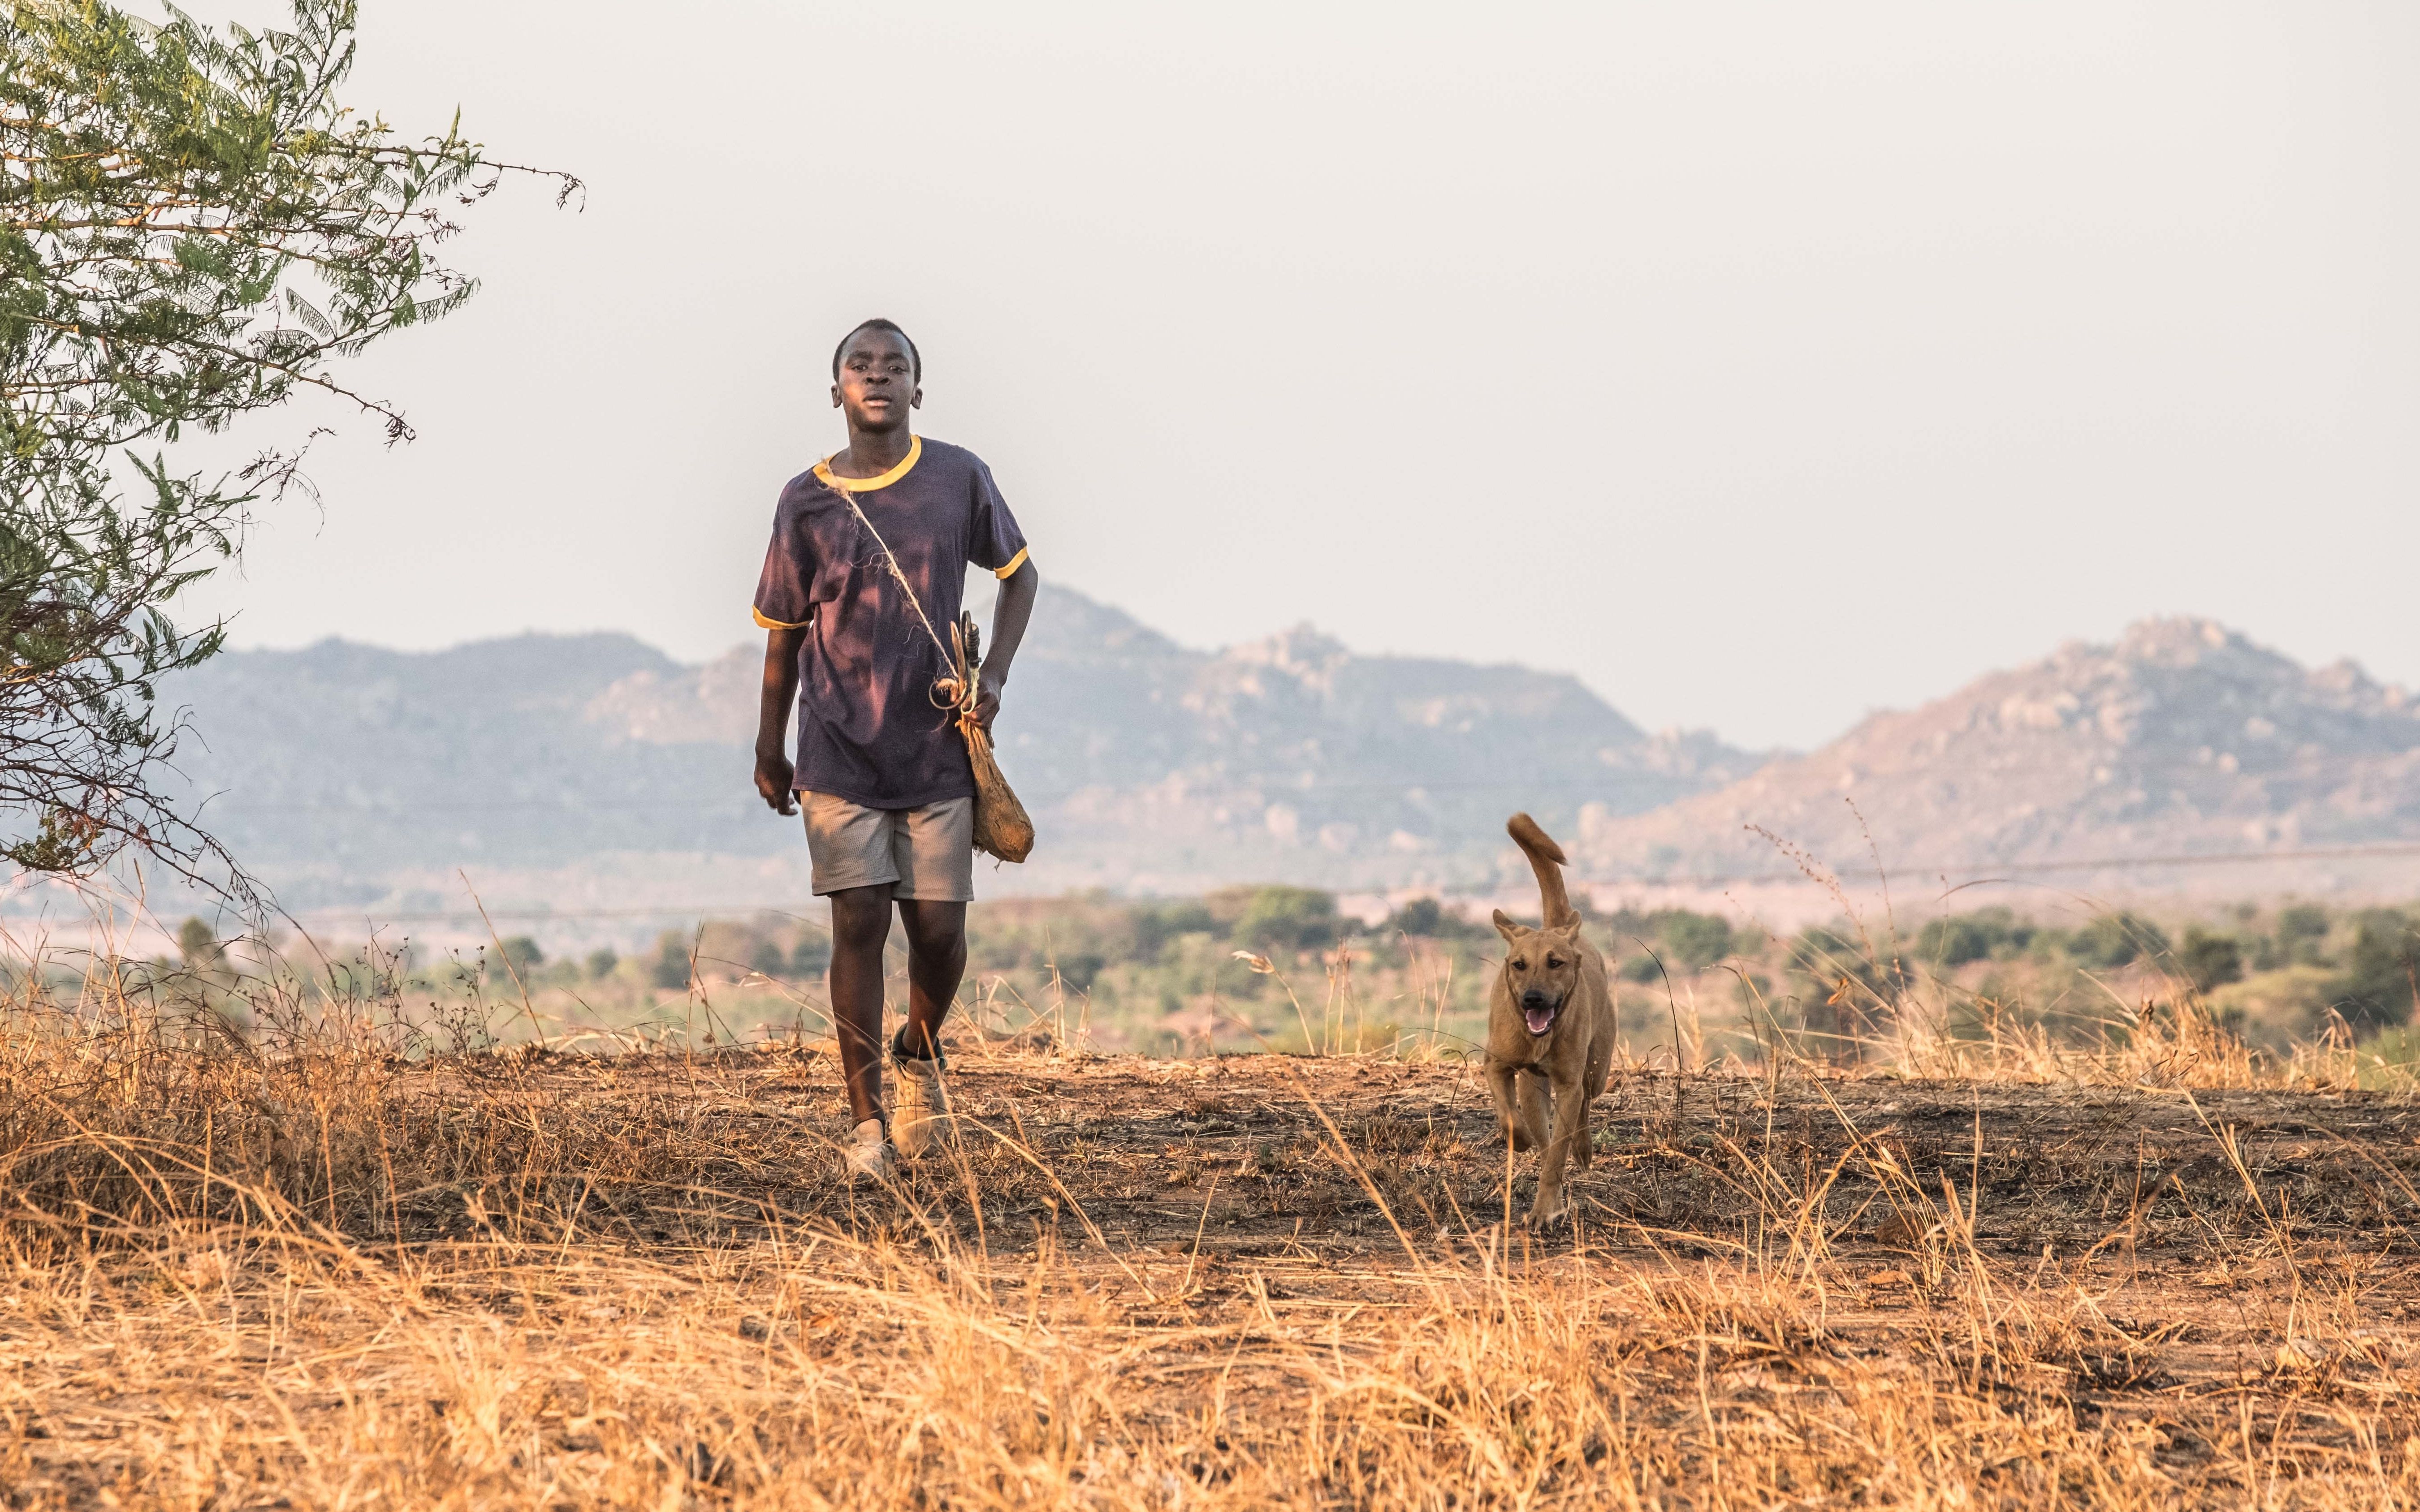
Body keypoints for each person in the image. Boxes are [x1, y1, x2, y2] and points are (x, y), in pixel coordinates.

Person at [750, 318, 1038, 1183]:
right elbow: (783, 636)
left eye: (895, 367)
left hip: (938, 743)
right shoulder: (804, 499)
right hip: (836, 745)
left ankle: (919, 1050)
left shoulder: (959, 478)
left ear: (920, 387)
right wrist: (771, 747)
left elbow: (1019, 575)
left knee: (941, 932)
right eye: (859, 366)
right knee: (859, 921)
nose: (877, 377)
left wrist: (996, 683)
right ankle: (868, 1123)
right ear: (835, 388)